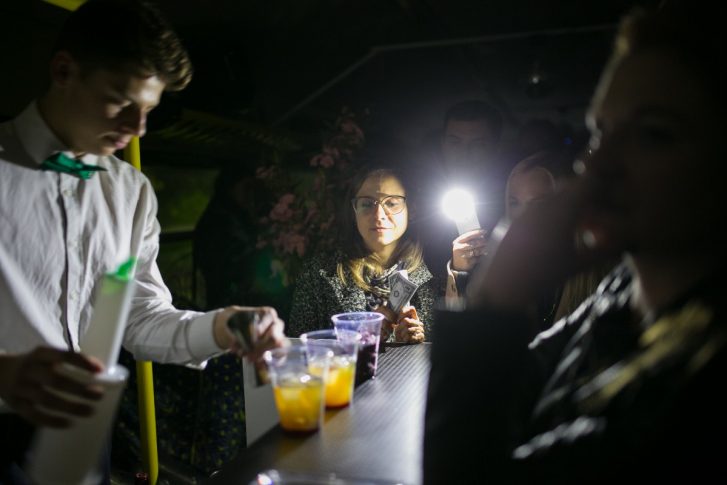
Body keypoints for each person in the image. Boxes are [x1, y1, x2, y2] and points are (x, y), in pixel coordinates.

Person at [424, 4, 727, 483]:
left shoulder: (699, 376)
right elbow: (523, 389)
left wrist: (498, 297)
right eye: (601, 132)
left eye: (654, 134)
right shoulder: (622, 292)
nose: (597, 163)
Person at [0, 1, 285, 482]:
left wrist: (222, 326)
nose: (139, 128)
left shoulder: (130, 193)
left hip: (88, 433)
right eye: (121, 102)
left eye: (149, 110)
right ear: (64, 71)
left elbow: (139, 318)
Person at [289, 165, 437, 343]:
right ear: (354, 211)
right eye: (367, 204)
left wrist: (413, 343)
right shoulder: (319, 273)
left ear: (411, 209)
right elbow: (297, 345)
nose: (379, 215)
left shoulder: (436, 272)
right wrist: (356, 338)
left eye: (391, 203)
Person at [416, 100, 507, 277]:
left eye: (477, 144)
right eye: (455, 142)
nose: (464, 154)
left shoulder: (511, 201)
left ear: (495, 148)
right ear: (443, 144)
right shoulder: (418, 199)